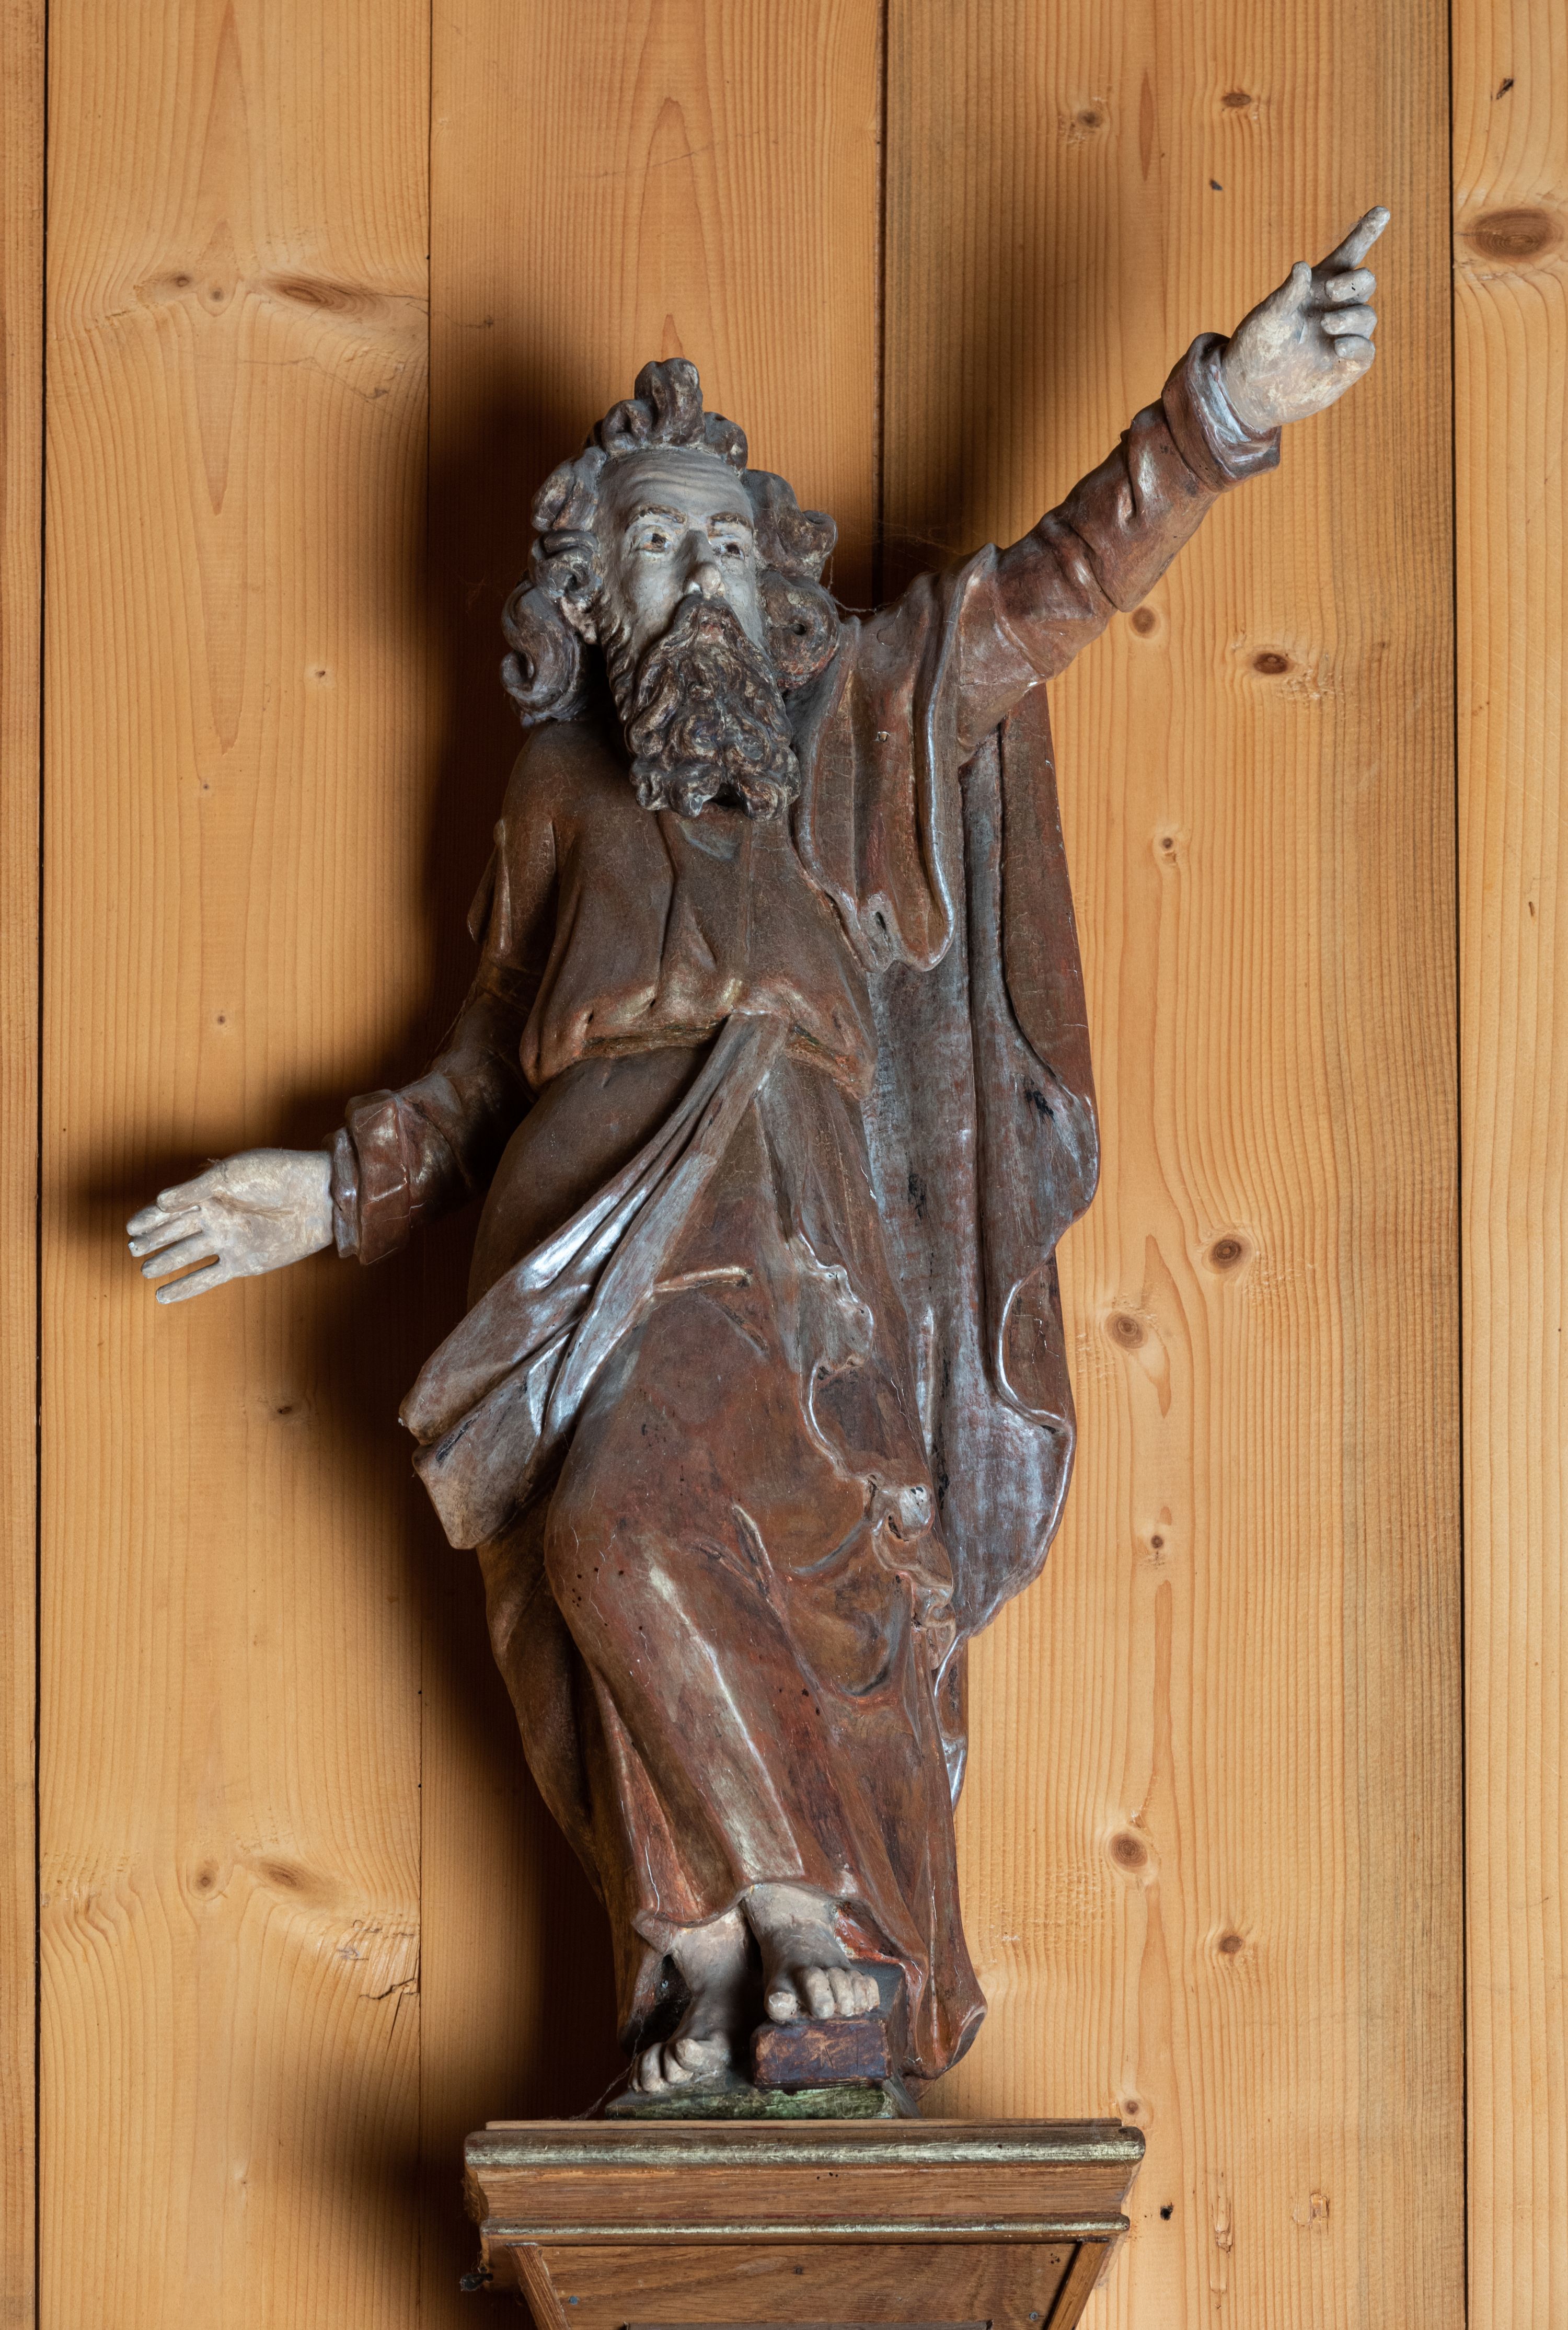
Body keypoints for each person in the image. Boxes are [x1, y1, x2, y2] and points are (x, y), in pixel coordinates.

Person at [128, 213, 1388, 2101]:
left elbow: (1042, 596)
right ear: (595, 599)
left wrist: (1223, 413)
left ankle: (804, 1920)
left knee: (650, 1533)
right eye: (654, 548)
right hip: (568, 1245)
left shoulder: (846, 731)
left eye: (722, 543)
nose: (696, 574)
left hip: (786, 1233)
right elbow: (482, 1065)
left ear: (769, 578)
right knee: (590, 1564)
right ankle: (710, 1952)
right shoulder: (555, 794)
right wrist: (325, 1192)